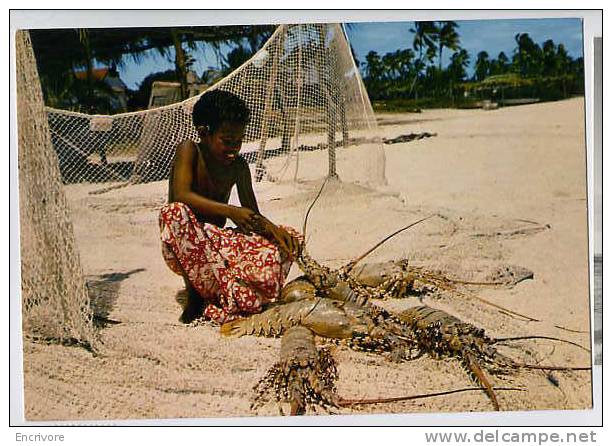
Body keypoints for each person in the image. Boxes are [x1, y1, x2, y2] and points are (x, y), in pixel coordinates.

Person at [159, 90, 301, 324]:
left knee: (291, 238)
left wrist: (275, 231)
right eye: (227, 141)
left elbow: (252, 215)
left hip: (218, 247)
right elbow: (181, 196)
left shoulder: (239, 167)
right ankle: (195, 294)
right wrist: (231, 211)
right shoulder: (189, 150)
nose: (234, 148)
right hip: (185, 248)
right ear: (204, 133)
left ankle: (221, 292)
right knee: (173, 212)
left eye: (238, 141)